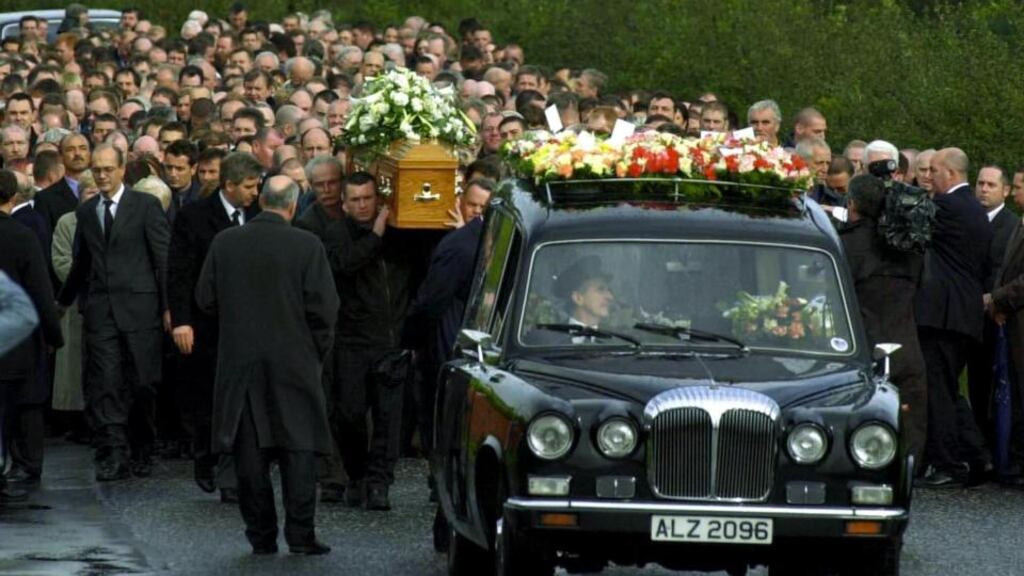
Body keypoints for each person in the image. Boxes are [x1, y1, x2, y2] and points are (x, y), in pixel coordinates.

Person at [196, 174, 338, 556]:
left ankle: (260, 536)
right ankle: (301, 535)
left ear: (259, 201)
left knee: (249, 456)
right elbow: (324, 309)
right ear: (293, 205)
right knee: (299, 450)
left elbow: (205, 298)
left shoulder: (225, 242)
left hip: (240, 363)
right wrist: (315, 354)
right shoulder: (307, 245)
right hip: (294, 363)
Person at [57, 144, 171, 482]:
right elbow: (82, 262)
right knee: (105, 381)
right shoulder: (88, 211)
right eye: (98, 169)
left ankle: (142, 446)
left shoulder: (145, 206)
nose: (102, 175)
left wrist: (169, 307)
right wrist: (63, 302)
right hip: (102, 309)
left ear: (122, 170)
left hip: (141, 310)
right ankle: (114, 451)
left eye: (109, 169)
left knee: (141, 383)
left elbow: (162, 259)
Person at [168, 152, 261, 502]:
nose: (255, 192)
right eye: (249, 187)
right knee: (207, 397)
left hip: (248, 322)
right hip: (205, 324)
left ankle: (235, 474)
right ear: (230, 185)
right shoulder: (194, 216)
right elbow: (179, 272)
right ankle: (206, 457)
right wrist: (181, 321)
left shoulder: (259, 213)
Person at [324, 171, 412, 511]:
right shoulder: (335, 234)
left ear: (379, 199)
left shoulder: (398, 234)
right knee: (350, 415)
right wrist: (374, 237)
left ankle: (379, 483)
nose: (363, 205)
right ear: (344, 204)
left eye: (368, 198)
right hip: (353, 341)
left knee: (389, 420)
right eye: (356, 200)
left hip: (391, 340)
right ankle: (357, 475)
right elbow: (341, 265)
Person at [915, 147, 992, 488]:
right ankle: (977, 456)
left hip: (944, 315)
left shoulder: (948, 207)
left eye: (934, 170)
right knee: (946, 386)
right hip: (961, 314)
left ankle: (948, 464)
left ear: (950, 173)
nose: (929, 176)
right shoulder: (975, 209)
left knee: (938, 390)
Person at [838, 174, 927, 466]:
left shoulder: (847, 245)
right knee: (910, 424)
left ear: (852, 203)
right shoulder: (909, 245)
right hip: (906, 344)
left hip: (861, 347)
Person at [0, 170, 63, 492]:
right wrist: (54, 336)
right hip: (20, 338)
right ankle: (27, 465)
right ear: (13, 197)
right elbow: (40, 291)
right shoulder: (22, 236)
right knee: (26, 404)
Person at [969, 165, 1018, 440]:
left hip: (995, 315)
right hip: (969, 315)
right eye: (980, 183)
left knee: (992, 384)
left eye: (991, 185)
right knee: (975, 383)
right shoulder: (971, 218)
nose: (984, 190)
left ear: (1006, 190)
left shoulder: (1011, 225)